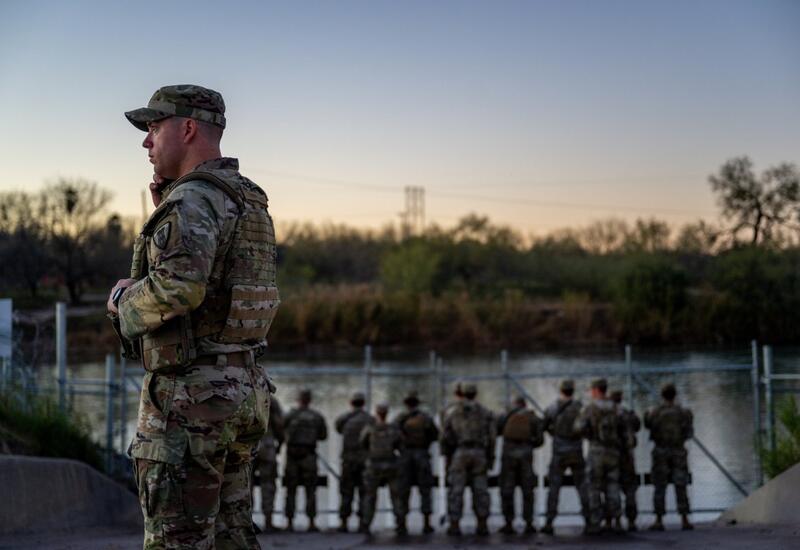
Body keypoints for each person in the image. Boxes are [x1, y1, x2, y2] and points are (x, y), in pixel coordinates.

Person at [110, 84, 278, 549]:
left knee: (176, 540)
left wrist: (122, 301)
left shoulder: (193, 200)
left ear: (187, 129)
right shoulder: (247, 197)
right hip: (242, 391)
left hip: (191, 400)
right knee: (230, 537)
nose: (146, 142)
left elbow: (178, 288)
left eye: (154, 128)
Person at [440, 382, 496, 537]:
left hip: (460, 452)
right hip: (479, 453)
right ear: (476, 394)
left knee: (456, 490)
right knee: (480, 489)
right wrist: (491, 457)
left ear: (462, 394)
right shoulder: (485, 412)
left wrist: (448, 457)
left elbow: (445, 437)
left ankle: (455, 524)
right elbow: (492, 438)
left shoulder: (453, 412)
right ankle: (482, 524)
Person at [574, 378, 625, 535]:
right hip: (614, 452)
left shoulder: (590, 408)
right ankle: (617, 520)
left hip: (596, 451)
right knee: (613, 485)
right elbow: (625, 428)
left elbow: (578, 428)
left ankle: (596, 522)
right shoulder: (617, 408)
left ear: (596, 390)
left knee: (594, 486)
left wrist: (590, 435)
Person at [541, 379, 589, 535]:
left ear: (561, 390)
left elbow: (543, 425)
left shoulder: (553, 408)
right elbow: (587, 427)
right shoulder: (580, 408)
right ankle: (590, 520)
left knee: (554, 488)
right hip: (576, 451)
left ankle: (549, 522)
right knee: (582, 486)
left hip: (559, 452)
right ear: (573, 391)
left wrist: (553, 433)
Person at [644, 383, 694, 531]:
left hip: (660, 451)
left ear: (662, 395)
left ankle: (659, 520)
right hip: (679, 451)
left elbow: (647, 425)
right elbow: (689, 432)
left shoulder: (655, 412)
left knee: (660, 485)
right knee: (681, 484)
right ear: (675, 395)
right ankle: (684, 518)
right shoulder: (684, 412)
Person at [496, 396, 544, 535]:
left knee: (507, 489)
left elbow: (496, 431)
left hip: (508, 456)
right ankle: (529, 523)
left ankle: (508, 523)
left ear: (514, 404)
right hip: (526, 456)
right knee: (528, 490)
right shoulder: (533, 417)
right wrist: (529, 445)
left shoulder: (505, 416)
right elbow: (540, 440)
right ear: (525, 405)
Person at [393, 390, 440, 534]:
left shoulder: (399, 418)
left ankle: (402, 523)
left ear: (406, 404)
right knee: (425, 489)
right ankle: (426, 523)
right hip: (422, 454)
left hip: (405, 456)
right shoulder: (426, 418)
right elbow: (435, 435)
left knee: (403, 490)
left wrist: (401, 447)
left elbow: (393, 437)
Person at [283, 389, 327, 532]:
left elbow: (280, 431)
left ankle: (289, 522)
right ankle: (312, 522)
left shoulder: (289, 415)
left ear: (298, 400)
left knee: (290, 489)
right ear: (310, 400)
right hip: (309, 456)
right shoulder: (317, 416)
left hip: (292, 457)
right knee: (311, 490)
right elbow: (323, 436)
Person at [359, 403, 406, 535]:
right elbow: (401, 447)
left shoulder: (370, 428)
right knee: (396, 496)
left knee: (370, 495)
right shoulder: (394, 429)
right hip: (391, 464)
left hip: (373, 465)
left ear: (376, 413)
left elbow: (362, 444)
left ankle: (366, 523)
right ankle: (401, 524)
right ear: (387, 413)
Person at [334, 391, 374, 532]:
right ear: (363, 403)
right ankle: (363, 523)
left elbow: (338, 428)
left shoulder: (345, 419)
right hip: (364, 461)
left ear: (351, 403)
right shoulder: (370, 419)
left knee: (346, 492)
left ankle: (344, 523)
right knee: (364, 492)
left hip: (348, 461)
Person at [610, 389, 641, 531]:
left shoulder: (607, 415)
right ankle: (632, 520)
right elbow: (638, 425)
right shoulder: (628, 414)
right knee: (630, 490)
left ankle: (616, 520)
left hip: (612, 455)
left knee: (612, 488)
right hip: (627, 456)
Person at [254, 396, 285, 533]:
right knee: (268, 484)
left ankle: (245, 522)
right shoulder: (269, 398)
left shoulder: (242, 392)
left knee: (244, 485)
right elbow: (279, 424)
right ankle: (268, 522)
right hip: (267, 446)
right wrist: (280, 443)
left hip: (246, 447)